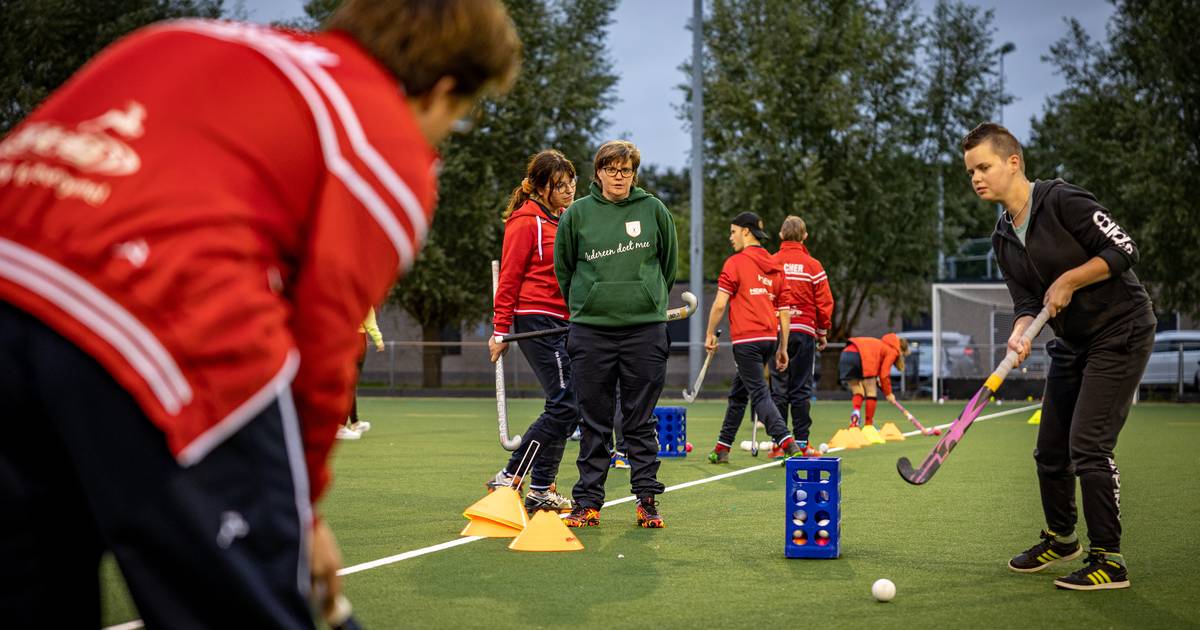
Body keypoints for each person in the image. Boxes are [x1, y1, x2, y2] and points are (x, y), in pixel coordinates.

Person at [0, 2, 520, 627]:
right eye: (460, 116)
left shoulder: (185, 37)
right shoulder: (379, 139)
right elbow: (325, 346)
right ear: (442, 88)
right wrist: (300, 518)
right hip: (153, 323)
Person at [963, 122, 1155, 591]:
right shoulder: (1003, 237)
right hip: (1073, 343)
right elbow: (1027, 303)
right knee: (1050, 450)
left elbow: (1124, 248)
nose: (976, 178)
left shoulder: (1062, 200)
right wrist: (1019, 332)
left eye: (984, 167)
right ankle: (1062, 538)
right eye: (970, 172)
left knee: (1088, 445)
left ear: (1013, 162)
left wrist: (1070, 279)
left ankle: (1109, 559)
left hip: (1121, 330)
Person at [554, 140, 677, 529]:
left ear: (634, 174)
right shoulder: (577, 214)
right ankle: (588, 503)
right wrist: (589, 303)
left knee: (639, 420)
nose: (619, 177)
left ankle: (647, 501)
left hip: (645, 330)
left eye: (626, 170)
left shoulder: (654, 210)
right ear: (599, 172)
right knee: (594, 421)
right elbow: (564, 269)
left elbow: (668, 266)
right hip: (591, 332)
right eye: (612, 169)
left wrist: (647, 300)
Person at [485, 149, 578, 513]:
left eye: (571, 183)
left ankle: (540, 489)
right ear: (541, 188)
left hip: (564, 322)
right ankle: (510, 475)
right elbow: (509, 279)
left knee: (568, 406)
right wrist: (500, 330)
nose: (568, 190)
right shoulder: (525, 221)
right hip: (536, 322)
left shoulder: (562, 219)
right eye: (559, 185)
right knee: (566, 403)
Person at [704, 212, 802, 464]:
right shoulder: (775, 264)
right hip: (769, 339)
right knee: (739, 393)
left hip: (746, 341)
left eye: (733, 232)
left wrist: (710, 333)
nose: (730, 237)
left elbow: (720, 304)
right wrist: (782, 347)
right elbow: (784, 311)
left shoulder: (735, 263)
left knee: (759, 395)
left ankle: (788, 444)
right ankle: (722, 447)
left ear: (746, 231)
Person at [770, 216, 834, 455]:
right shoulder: (813, 266)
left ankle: (779, 443)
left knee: (778, 388)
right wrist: (822, 332)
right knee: (800, 387)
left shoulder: (771, 262)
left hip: (776, 331)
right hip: (804, 331)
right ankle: (802, 442)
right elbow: (824, 302)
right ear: (805, 236)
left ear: (781, 235)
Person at [838, 334, 909, 427]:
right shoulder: (893, 350)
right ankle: (869, 424)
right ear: (901, 350)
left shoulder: (881, 344)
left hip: (847, 354)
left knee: (857, 389)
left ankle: (856, 414)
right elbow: (884, 374)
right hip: (862, 357)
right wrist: (889, 394)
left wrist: (879, 381)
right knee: (871, 390)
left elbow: (878, 369)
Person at [339, 309, 386, 440]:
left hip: (342, 338)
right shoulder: (362, 298)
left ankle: (354, 423)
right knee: (349, 385)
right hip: (356, 340)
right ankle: (340, 426)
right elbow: (370, 320)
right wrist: (378, 339)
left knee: (348, 384)